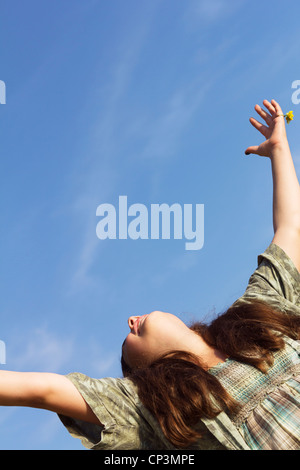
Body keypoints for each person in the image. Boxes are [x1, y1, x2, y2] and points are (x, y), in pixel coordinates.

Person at [0, 99, 299, 450]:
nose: (129, 321)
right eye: (125, 356)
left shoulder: (256, 317)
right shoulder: (153, 408)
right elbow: (43, 391)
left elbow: (290, 231)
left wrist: (279, 149)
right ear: (143, 375)